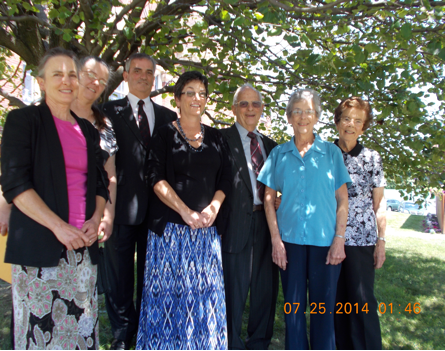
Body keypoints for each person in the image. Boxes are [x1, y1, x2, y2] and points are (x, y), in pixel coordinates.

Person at [0, 48, 109, 350]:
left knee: (81, 332)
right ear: (41, 82)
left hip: (82, 250)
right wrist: (58, 227)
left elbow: (101, 183)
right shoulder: (24, 121)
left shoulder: (87, 129)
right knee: (41, 337)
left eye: (72, 74)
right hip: (40, 250)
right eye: (57, 74)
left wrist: (96, 218)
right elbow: (15, 182)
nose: (66, 80)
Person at [136, 71, 231, 350]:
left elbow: (227, 178)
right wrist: (185, 212)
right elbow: (155, 178)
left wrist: (213, 207)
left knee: (204, 295)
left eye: (201, 92)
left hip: (206, 232)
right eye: (189, 92)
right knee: (169, 297)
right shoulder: (164, 135)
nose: (196, 98)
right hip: (171, 231)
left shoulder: (217, 138)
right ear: (177, 99)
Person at [258, 89, 352, 350]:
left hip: (326, 244)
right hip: (290, 244)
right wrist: (276, 241)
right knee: (294, 312)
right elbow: (268, 199)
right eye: (297, 111)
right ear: (289, 117)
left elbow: (343, 200)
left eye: (308, 111)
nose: (303, 116)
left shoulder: (332, 153)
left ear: (317, 117)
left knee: (324, 313)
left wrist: (339, 239)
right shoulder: (278, 154)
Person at [102, 53, 177, 350]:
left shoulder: (168, 117)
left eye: (149, 72)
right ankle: (122, 332)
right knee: (119, 276)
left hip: (157, 212)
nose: (143, 76)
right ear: (125, 75)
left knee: (151, 275)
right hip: (119, 208)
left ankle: (148, 325)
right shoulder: (107, 111)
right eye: (137, 71)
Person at [220, 84, 279, 350]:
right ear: (234, 109)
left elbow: (283, 185)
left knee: (265, 290)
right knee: (233, 289)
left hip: (267, 226)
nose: (250, 109)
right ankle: (231, 342)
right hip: (233, 225)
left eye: (255, 104)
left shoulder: (272, 147)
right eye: (243, 104)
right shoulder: (220, 140)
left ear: (262, 109)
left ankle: (259, 343)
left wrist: (282, 198)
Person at [333, 97, 386, 350]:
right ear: (337, 122)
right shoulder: (324, 154)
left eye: (357, 121)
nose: (351, 125)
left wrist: (381, 241)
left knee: (362, 301)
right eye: (346, 119)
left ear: (364, 127)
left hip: (361, 240)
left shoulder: (372, 158)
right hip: (328, 239)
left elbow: (380, 204)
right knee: (334, 302)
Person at [70, 56, 118, 245]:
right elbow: (13, 164)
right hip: (46, 220)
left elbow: (110, 175)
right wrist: (4, 208)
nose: (95, 82)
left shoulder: (105, 125)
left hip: (89, 224)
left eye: (102, 81)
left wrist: (108, 216)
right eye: (90, 74)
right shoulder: (46, 114)